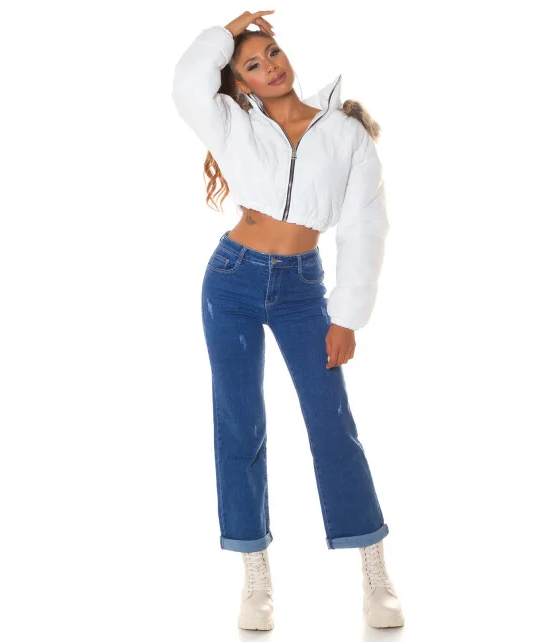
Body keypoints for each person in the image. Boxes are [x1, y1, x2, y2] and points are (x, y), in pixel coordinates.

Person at [171, 10, 404, 630]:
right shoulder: (231, 121)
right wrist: (230, 28)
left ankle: (374, 567)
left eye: (271, 52)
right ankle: (255, 573)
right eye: (251, 64)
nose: (269, 67)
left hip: (303, 290)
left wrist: (347, 316)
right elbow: (187, 82)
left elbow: (365, 224)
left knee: (332, 422)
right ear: (239, 81)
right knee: (239, 422)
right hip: (232, 280)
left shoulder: (345, 131)